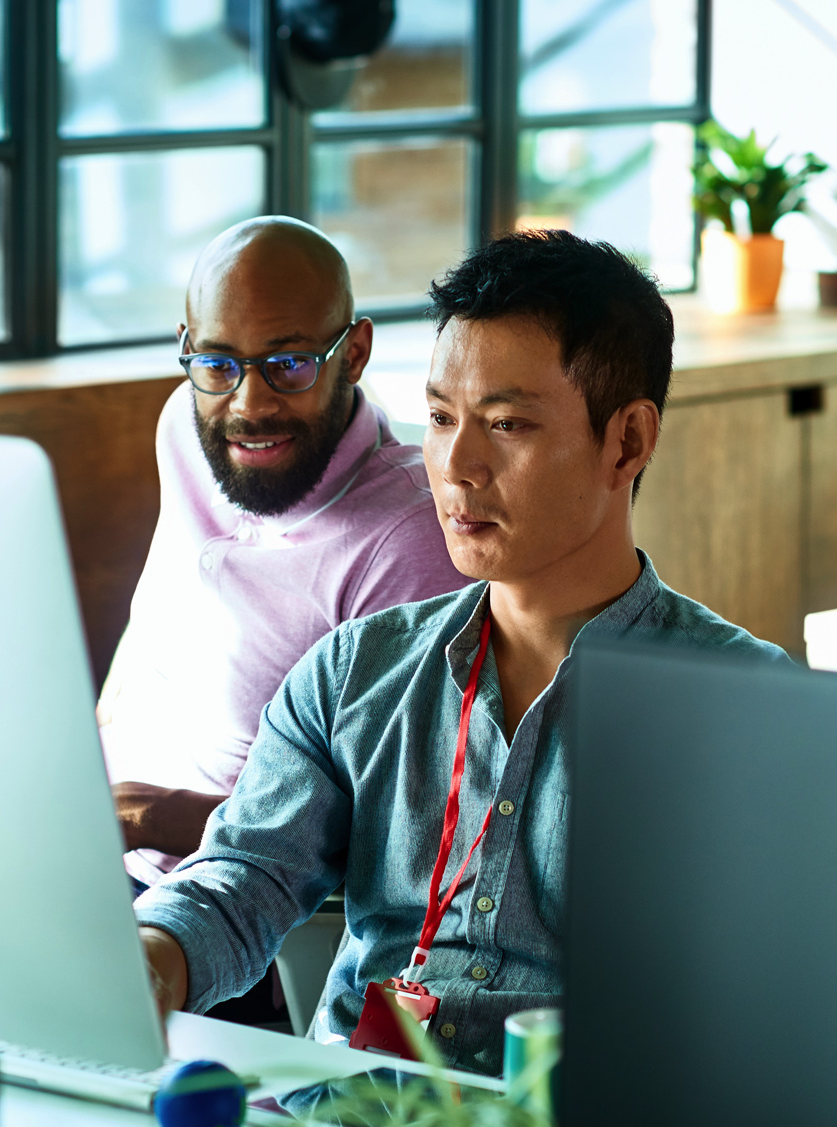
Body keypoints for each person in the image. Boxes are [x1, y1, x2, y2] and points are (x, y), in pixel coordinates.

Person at [132, 229, 792, 1076]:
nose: (457, 465)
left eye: (507, 424)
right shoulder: (352, 674)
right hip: (353, 1105)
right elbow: (245, 876)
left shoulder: (744, 704)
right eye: (441, 418)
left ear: (626, 442)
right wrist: (153, 952)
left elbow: (761, 1003)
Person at [99, 217, 467, 888]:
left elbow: (393, 833)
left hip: (233, 911)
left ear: (354, 354)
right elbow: (151, 628)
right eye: (217, 363)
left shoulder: (409, 538)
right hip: (94, 850)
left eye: (288, 364)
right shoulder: (185, 424)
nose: (248, 403)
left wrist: (145, 815)